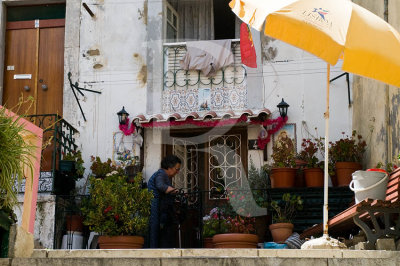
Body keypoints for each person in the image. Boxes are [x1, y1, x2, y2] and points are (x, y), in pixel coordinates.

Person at [148, 155, 181, 248]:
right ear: (169, 167)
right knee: (155, 229)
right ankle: (153, 251)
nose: (177, 172)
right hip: (155, 206)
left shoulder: (164, 175)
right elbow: (160, 185)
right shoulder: (161, 174)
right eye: (177, 169)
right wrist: (173, 190)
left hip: (159, 206)